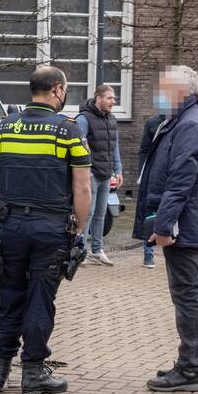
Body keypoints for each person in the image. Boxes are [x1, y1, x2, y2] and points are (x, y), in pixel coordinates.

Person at [0, 66, 92, 394]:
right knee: (40, 299)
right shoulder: (68, 131)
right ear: (57, 90)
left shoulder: (3, 128)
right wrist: (79, 227)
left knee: (10, 295)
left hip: (11, 227)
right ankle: (33, 373)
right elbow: (82, 186)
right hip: (51, 228)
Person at [134, 66, 198, 392]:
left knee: (186, 294)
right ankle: (195, 363)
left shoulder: (189, 124)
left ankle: (189, 368)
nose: (158, 95)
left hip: (184, 223)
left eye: (164, 89)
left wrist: (164, 225)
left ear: (181, 91)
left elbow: (180, 181)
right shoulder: (193, 118)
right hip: (192, 221)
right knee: (193, 292)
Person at [76, 85, 123, 266]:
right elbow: (78, 146)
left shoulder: (112, 119)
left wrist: (118, 170)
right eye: (109, 98)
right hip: (90, 174)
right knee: (86, 214)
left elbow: (114, 147)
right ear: (98, 98)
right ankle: (80, 251)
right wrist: (84, 171)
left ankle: (97, 250)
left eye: (114, 98)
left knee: (100, 214)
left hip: (106, 173)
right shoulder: (83, 119)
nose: (113, 102)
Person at [137, 113, 164, 268]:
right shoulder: (152, 123)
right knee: (149, 211)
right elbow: (144, 150)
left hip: (170, 173)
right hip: (153, 173)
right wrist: (142, 174)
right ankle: (148, 254)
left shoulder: (181, 121)